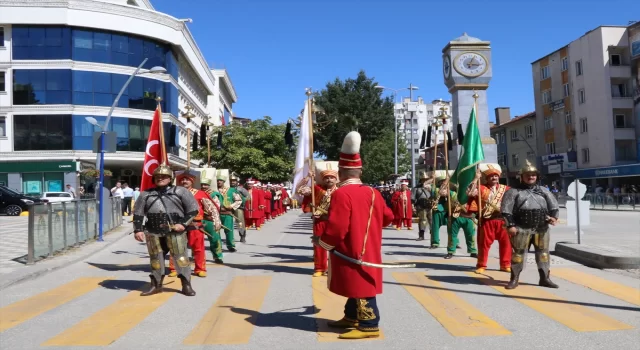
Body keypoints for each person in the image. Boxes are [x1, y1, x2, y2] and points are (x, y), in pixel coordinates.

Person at [316, 131, 394, 339]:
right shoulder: (373, 192)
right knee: (355, 282)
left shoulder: (341, 193)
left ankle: (369, 324)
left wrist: (323, 243)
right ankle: (351, 316)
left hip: (351, 248)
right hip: (369, 247)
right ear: (360, 172)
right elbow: (389, 217)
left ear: (341, 172)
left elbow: (337, 227)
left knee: (360, 284)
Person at [132, 164, 199, 296]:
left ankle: (186, 285)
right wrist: (138, 230)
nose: (160, 178)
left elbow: (193, 210)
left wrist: (183, 224)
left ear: (170, 178)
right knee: (156, 259)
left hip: (175, 231)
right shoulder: (145, 194)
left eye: (164, 176)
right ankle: (156, 285)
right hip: (152, 231)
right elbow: (138, 214)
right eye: (157, 176)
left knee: (181, 259)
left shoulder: (181, 191)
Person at [501, 160, 560, 290]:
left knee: (543, 254)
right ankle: (514, 279)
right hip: (521, 228)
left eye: (533, 175)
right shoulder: (513, 191)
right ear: (521, 177)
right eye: (527, 174)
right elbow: (506, 211)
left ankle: (545, 278)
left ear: (537, 176)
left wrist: (554, 217)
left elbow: (554, 207)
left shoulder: (544, 191)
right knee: (518, 254)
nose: (531, 177)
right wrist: (510, 225)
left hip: (541, 229)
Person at [167, 170, 215, 278]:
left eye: (187, 179)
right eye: (182, 179)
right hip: (178, 224)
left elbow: (210, 207)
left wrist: (212, 217)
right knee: (176, 247)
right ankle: (174, 268)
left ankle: (200, 268)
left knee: (198, 248)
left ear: (192, 181)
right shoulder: (173, 193)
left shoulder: (201, 193)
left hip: (195, 224)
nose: (184, 181)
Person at [467, 164, 512, 273]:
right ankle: (481, 265)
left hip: (502, 220)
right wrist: (476, 178)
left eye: (496, 176)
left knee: (506, 243)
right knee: (483, 244)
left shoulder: (505, 189)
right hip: (487, 220)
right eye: (491, 176)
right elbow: (469, 192)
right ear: (486, 178)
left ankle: (505, 264)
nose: (494, 178)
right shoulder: (481, 188)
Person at [299, 165, 338, 277]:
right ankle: (319, 268)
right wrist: (308, 178)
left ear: (336, 179)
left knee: (335, 246)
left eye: (331, 177)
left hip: (335, 221)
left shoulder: (341, 190)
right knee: (319, 244)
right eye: (326, 178)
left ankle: (333, 268)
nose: (329, 179)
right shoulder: (317, 189)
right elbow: (300, 190)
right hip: (320, 220)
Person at [443, 182, 477, 259]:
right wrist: (445, 183)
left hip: (469, 218)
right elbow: (442, 192)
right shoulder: (453, 194)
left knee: (470, 236)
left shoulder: (473, 195)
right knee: (452, 235)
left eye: (469, 188)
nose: (467, 189)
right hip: (455, 217)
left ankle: (473, 251)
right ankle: (451, 251)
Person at [202, 178, 225, 264]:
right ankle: (196, 256)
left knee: (215, 239)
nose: (203, 186)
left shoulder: (214, 194)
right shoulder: (196, 193)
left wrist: (217, 221)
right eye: (202, 184)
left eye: (205, 184)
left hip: (210, 219)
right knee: (197, 240)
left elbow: (217, 208)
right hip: (199, 219)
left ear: (209, 185)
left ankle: (217, 256)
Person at [217, 175, 243, 246]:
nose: (219, 182)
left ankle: (231, 245)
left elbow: (238, 200)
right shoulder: (213, 190)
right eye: (217, 180)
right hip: (216, 214)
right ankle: (218, 247)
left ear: (224, 181)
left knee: (228, 230)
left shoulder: (231, 190)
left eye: (220, 180)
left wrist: (231, 206)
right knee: (216, 230)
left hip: (227, 213)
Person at [412, 172, 433, 241]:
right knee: (422, 221)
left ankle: (433, 235)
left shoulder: (431, 187)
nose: (425, 181)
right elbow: (413, 198)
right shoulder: (416, 188)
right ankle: (421, 235)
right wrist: (413, 206)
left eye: (426, 179)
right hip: (421, 206)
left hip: (430, 205)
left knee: (432, 221)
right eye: (423, 179)